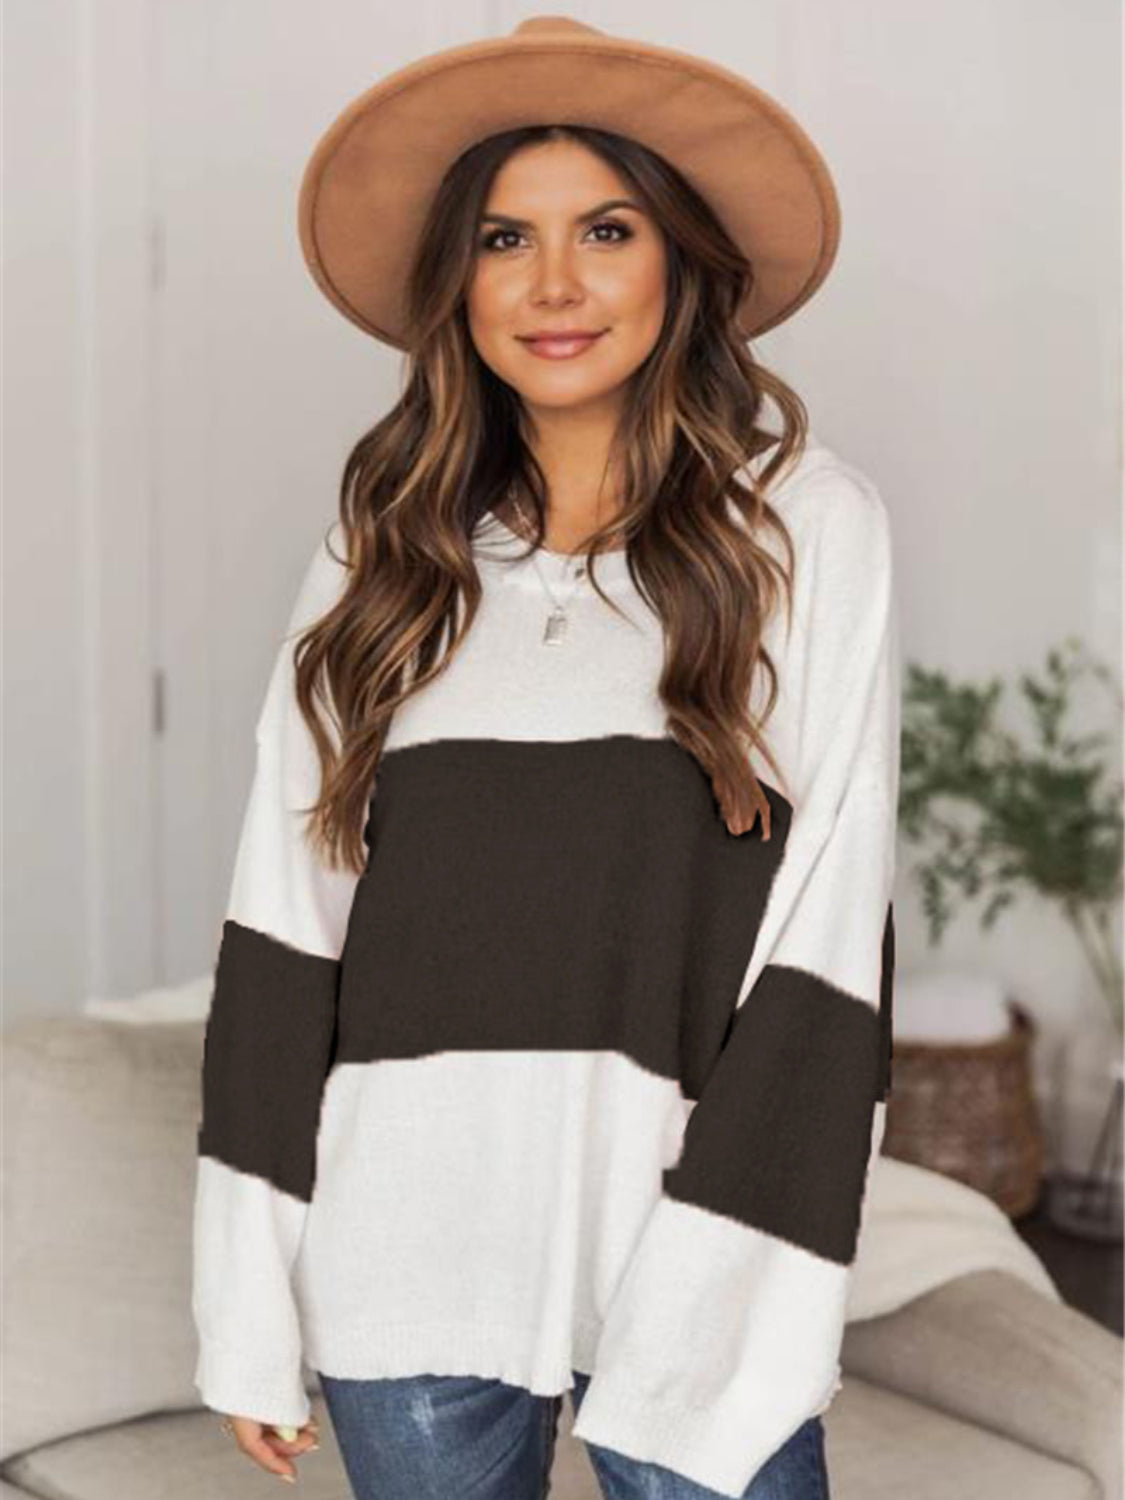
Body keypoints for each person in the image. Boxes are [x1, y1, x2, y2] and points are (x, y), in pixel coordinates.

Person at [191, 15, 900, 1500]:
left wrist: (741, 1270)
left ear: (681, 264)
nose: (554, 285)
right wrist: (246, 1301)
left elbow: (830, 935)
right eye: (504, 238)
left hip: (689, 1245)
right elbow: (283, 924)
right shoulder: (382, 553)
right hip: (401, 1249)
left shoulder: (799, 527)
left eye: (607, 231)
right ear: (457, 282)